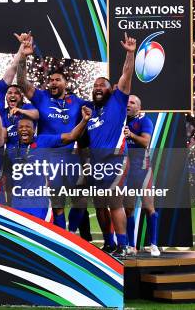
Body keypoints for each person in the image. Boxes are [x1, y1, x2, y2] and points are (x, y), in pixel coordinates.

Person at [16, 32, 91, 235]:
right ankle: (63, 238)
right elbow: (22, 83)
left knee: (81, 201)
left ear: (65, 83)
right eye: (50, 80)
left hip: (71, 156)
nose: (53, 83)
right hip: (49, 158)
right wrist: (23, 55)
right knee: (57, 204)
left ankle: (72, 232)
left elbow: (99, 109)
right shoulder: (41, 98)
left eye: (57, 80)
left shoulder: (77, 102)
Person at [85, 32, 137, 258]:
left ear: (111, 89)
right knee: (99, 205)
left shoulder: (118, 100)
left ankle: (124, 245)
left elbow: (126, 75)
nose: (98, 87)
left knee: (114, 201)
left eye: (102, 85)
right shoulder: (91, 111)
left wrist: (130, 54)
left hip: (115, 160)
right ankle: (109, 243)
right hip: (95, 165)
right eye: (95, 85)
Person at [5, 107, 92, 220]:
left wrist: (84, 120)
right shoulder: (11, 149)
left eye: (28, 127)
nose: (24, 129)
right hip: (18, 204)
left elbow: (71, 136)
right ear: (17, 130)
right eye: (21, 127)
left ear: (34, 129)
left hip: (40, 204)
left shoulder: (43, 141)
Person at [124, 95, 160, 257]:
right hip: (127, 172)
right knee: (128, 209)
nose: (128, 105)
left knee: (149, 207)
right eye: (127, 102)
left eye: (132, 102)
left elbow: (146, 142)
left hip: (143, 170)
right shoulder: (121, 121)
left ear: (139, 107)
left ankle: (154, 245)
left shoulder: (145, 121)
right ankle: (132, 246)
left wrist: (130, 135)